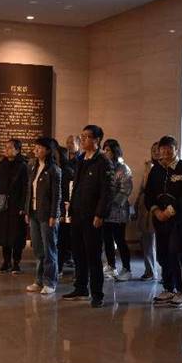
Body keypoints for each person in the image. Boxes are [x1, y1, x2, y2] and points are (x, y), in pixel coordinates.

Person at [63, 125, 114, 308]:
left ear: (97, 140)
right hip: (77, 214)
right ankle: (81, 288)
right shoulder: (80, 159)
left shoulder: (103, 161)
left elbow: (107, 192)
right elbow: (76, 186)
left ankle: (97, 294)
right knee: (78, 254)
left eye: (87, 137)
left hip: (93, 216)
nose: (83, 139)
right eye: (82, 136)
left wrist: (100, 214)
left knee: (93, 256)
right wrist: (70, 209)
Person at [145, 136, 182, 308]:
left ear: (176, 149)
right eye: (163, 148)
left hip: (179, 221)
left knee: (177, 254)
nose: (166, 151)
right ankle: (168, 288)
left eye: (169, 148)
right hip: (160, 220)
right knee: (163, 255)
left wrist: (170, 211)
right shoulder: (156, 170)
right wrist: (156, 211)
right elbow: (149, 194)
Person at [25, 137, 62, 294]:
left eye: (39, 148)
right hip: (34, 213)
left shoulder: (54, 170)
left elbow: (57, 195)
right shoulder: (33, 166)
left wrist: (54, 215)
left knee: (49, 249)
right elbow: (29, 191)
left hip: (47, 215)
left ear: (47, 150)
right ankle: (38, 281)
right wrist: (27, 211)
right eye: (36, 147)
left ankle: (50, 282)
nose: (36, 150)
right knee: (38, 249)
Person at [0, 139, 28, 274]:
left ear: (17, 150)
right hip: (3, 206)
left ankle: (16, 263)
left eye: (10, 148)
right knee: (4, 235)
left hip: (16, 206)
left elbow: (25, 188)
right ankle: (6, 262)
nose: (6, 150)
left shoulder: (23, 166)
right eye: (5, 147)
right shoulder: (1, 165)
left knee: (16, 235)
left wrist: (23, 206)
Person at [102, 139, 133, 281]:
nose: (106, 152)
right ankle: (111, 266)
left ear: (115, 151)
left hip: (118, 210)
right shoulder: (104, 167)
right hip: (105, 210)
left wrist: (111, 202)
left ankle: (126, 268)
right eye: (104, 149)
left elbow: (126, 190)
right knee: (107, 239)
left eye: (108, 150)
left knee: (120, 240)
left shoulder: (123, 168)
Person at [133, 142, 160, 281]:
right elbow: (142, 186)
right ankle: (149, 270)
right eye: (153, 150)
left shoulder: (165, 168)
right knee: (147, 238)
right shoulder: (148, 165)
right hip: (145, 204)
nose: (155, 152)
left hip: (159, 204)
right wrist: (137, 201)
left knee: (160, 241)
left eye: (158, 150)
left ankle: (165, 273)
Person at [54, 143, 75, 276]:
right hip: (58, 210)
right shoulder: (55, 169)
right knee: (59, 241)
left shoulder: (67, 171)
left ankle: (60, 267)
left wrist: (64, 212)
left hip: (65, 211)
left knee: (63, 241)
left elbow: (67, 194)